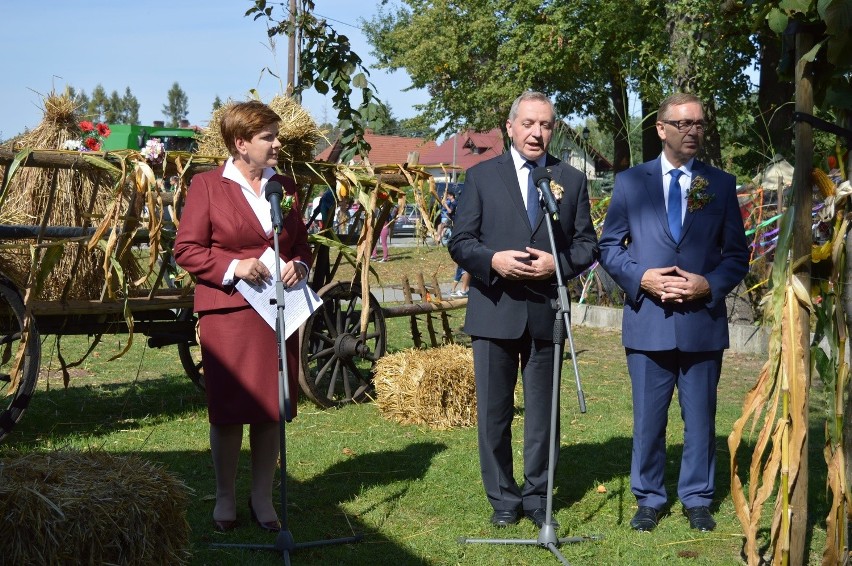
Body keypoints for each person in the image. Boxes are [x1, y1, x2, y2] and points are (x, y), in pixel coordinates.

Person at [598, 93, 749, 533]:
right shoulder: (630, 183)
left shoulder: (719, 183)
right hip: (648, 322)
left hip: (702, 323)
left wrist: (709, 285)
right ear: (661, 129)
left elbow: (737, 256)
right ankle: (648, 498)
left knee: (701, 417)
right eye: (683, 124)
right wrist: (641, 277)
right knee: (648, 418)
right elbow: (610, 248)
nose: (693, 131)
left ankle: (698, 498)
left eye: (699, 124)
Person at [448, 91, 598, 529]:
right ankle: (503, 499)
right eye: (529, 123)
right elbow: (460, 241)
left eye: (546, 125)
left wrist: (560, 264)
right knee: (494, 414)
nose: (537, 133)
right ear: (511, 127)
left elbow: (587, 243)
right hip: (494, 308)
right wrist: (492, 261)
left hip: (545, 313)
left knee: (543, 415)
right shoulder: (480, 178)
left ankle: (537, 496)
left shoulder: (569, 179)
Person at [173, 100, 311, 533]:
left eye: (276, 134)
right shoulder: (207, 186)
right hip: (229, 312)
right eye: (268, 136)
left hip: (277, 313)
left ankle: (263, 497)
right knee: (230, 410)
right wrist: (235, 268)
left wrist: (299, 267)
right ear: (240, 143)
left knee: (272, 408)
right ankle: (226, 497)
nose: (277, 143)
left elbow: (302, 247)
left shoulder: (284, 187)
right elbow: (187, 249)